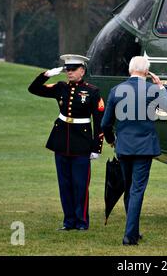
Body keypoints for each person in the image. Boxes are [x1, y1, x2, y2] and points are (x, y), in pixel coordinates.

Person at [101, 56, 167, 245]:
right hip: (144, 147)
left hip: (124, 147)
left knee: (129, 188)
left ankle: (132, 230)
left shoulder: (116, 91)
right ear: (146, 72)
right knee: (136, 190)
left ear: (130, 70)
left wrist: (111, 141)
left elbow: (105, 123)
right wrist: (160, 87)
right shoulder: (152, 89)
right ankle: (130, 236)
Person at [28, 54, 104, 231]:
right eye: (67, 69)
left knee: (80, 185)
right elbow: (33, 89)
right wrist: (47, 74)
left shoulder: (92, 91)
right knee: (65, 184)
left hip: (81, 143)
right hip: (61, 141)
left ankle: (82, 222)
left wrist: (96, 147)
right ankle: (68, 222)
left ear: (82, 71)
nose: (69, 72)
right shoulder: (60, 87)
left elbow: (99, 121)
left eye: (73, 69)